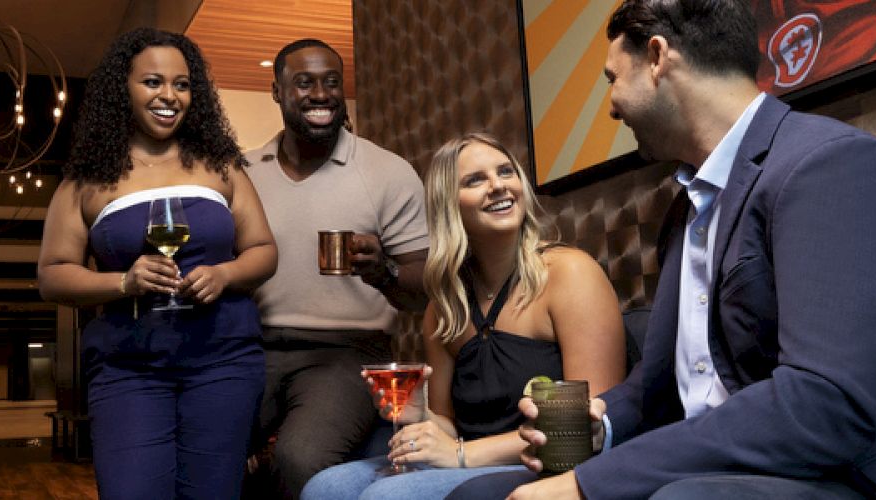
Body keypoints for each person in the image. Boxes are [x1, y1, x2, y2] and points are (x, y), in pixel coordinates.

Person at [450, 1, 876, 498]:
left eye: (613, 79)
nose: (611, 106)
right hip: (731, 475)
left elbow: (826, 405)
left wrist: (591, 484)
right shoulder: (687, 209)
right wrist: (601, 423)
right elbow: (656, 389)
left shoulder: (833, 166)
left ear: (657, 57)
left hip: (867, 475)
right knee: (478, 494)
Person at [301, 135, 625, 499]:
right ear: (448, 206)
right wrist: (418, 416)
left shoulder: (570, 273)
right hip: (467, 458)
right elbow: (448, 423)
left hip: (544, 461)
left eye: (506, 172)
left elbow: (593, 424)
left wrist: (460, 454)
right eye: (475, 180)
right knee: (325, 487)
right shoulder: (444, 306)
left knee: (388, 497)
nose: (498, 186)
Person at [36, 27, 277, 499]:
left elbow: (263, 251)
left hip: (223, 363)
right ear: (121, 89)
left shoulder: (222, 165)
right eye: (152, 82)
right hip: (129, 369)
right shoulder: (86, 179)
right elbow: (51, 275)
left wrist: (225, 274)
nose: (169, 95)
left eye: (182, 84)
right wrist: (124, 281)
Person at [243, 39, 432, 499]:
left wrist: (382, 272)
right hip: (250, 346)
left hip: (347, 352)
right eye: (304, 82)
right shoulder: (241, 171)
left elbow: (424, 292)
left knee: (301, 456)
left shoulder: (387, 171)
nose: (321, 94)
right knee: (207, 445)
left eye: (332, 82)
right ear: (277, 91)